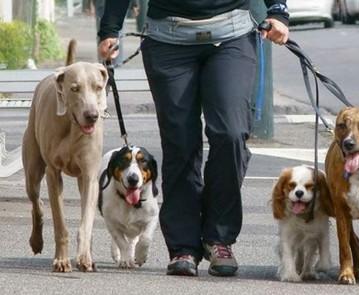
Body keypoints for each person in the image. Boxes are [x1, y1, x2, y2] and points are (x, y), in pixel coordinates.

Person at [98, 0, 289, 277]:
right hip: (167, 38)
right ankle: (183, 246)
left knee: (231, 134)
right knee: (180, 141)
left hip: (232, 35)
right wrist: (109, 29)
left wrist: (277, 11)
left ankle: (218, 239)